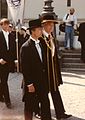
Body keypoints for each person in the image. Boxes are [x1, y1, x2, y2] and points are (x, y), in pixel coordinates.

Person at [39, 14, 72, 119]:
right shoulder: (40, 38)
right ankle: (40, 112)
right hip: (44, 72)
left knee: (55, 91)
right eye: (49, 24)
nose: (51, 27)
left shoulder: (51, 37)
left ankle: (60, 113)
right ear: (43, 25)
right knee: (42, 95)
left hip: (52, 72)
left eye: (52, 24)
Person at [20, 19, 52, 120]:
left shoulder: (41, 44)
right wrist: (29, 84)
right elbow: (24, 68)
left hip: (42, 81)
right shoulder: (25, 47)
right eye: (39, 29)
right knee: (29, 106)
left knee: (45, 104)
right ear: (33, 31)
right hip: (32, 83)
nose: (41, 31)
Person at [0, 18, 16, 108]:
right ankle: (4, 99)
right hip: (0, 61)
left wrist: (13, 60)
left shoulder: (12, 36)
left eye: (7, 24)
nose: (6, 26)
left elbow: (13, 50)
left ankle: (6, 100)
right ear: (1, 26)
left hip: (7, 62)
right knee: (2, 81)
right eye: (4, 24)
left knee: (4, 81)